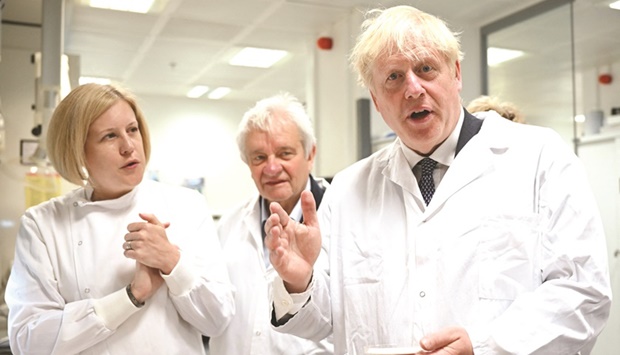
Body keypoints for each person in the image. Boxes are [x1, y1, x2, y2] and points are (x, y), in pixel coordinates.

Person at [264, 5, 611, 355]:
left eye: (425, 68)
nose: (413, 89)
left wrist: (485, 346)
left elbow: (584, 293)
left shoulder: (538, 157)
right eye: (393, 78)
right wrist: (299, 281)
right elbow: (324, 324)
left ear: (456, 73)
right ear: (377, 101)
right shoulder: (348, 190)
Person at [5, 83, 235, 354]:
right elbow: (29, 341)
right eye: (109, 136)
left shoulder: (186, 205)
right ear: (78, 150)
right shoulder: (43, 224)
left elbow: (217, 321)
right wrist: (130, 296)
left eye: (132, 130)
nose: (128, 146)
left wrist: (172, 263)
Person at [209, 92, 333, 354]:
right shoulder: (229, 225)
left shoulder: (342, 216)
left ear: (310, 154)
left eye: (285, 153)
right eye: (259, 158)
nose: (272, 168)